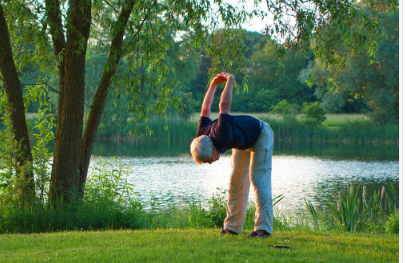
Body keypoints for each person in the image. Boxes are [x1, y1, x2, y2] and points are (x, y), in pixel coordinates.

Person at [190, 72, 274, 238]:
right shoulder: (202, 133)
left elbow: (224, 106)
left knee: (258, 178)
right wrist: (213, 84)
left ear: (213, 148)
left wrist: (230, 80)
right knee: (235, 182)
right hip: (242, 142)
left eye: (208, 160)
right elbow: (205, 108)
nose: (211, 163)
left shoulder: (223, 134)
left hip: (261, 134)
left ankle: (263, 229)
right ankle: (232, 227)